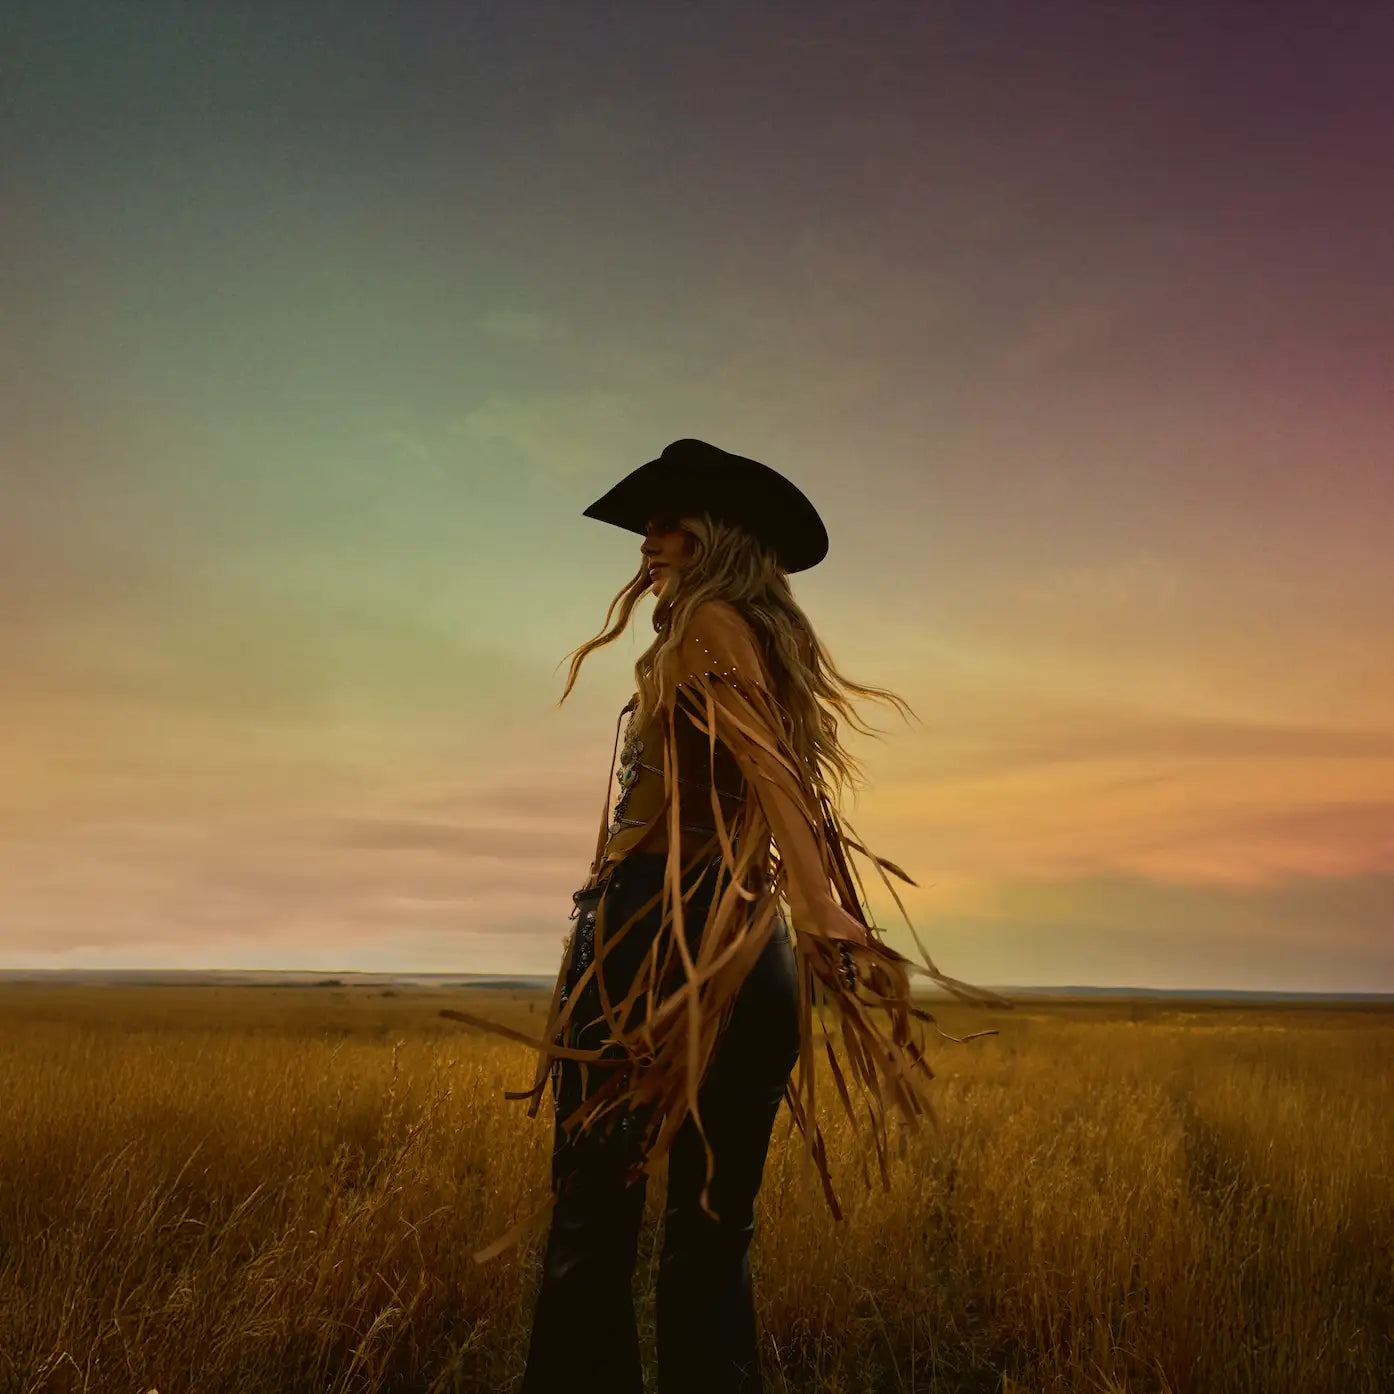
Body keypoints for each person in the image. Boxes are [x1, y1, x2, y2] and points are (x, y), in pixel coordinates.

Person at [446, 439, 1003, 1393]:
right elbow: (783, 776)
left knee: (591, 1225)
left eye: (669, 523)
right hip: (751, 952)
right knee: (713, 1242)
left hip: (651, 947)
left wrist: (826, 902)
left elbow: (771, 772)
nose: (648, 543)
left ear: (720, 537)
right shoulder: (742, 631)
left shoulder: (705, 624)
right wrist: (814, 912)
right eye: (647, 526)